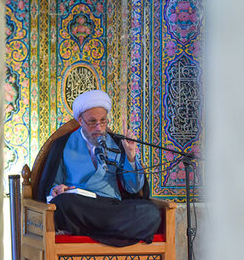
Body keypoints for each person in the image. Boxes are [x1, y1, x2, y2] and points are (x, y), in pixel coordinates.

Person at [37, 90, 161, 246]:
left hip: (111, 207)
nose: (99, 127)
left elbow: (133, 188)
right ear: (80, 121)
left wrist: (130, 156)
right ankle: (111, 232)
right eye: (92, 122)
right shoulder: (63, 144)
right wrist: (57, 190)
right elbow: (53, 188)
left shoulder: (117, 143)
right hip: (80, 205)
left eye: (103, 121)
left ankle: (89, 230)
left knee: (151, 212)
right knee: (63, 203)